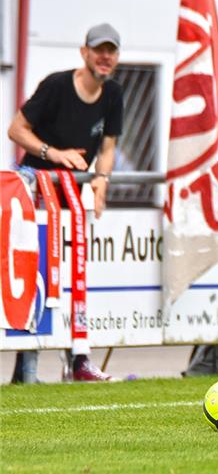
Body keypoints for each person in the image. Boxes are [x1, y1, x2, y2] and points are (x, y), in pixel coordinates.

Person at [7, 23, 124, 382]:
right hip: (36, 194)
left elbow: (108, 146)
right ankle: (26, 368)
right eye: (99, 49)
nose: (105, 57)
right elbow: (16, 129)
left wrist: (101, 182)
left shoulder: (113, 93)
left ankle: (78, 359)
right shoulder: (57, 85)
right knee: (37, 276)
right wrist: (54, 154)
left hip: (71, 197)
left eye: (111, 51)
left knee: (74, 276)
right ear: (84, 52)